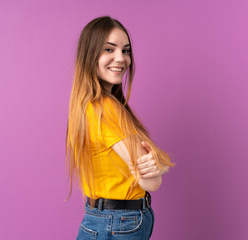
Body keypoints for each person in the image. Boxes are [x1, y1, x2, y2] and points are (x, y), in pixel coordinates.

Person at [66, 16, 175, 240]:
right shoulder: (104, 108)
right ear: (90, 55)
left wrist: (158, 165)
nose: (121, 58)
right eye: (109, 49)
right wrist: (158, 166)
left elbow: (152, 169)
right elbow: (150, 182)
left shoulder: (91, 105)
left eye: (126, 50)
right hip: (118, 223)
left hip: (110, 221)